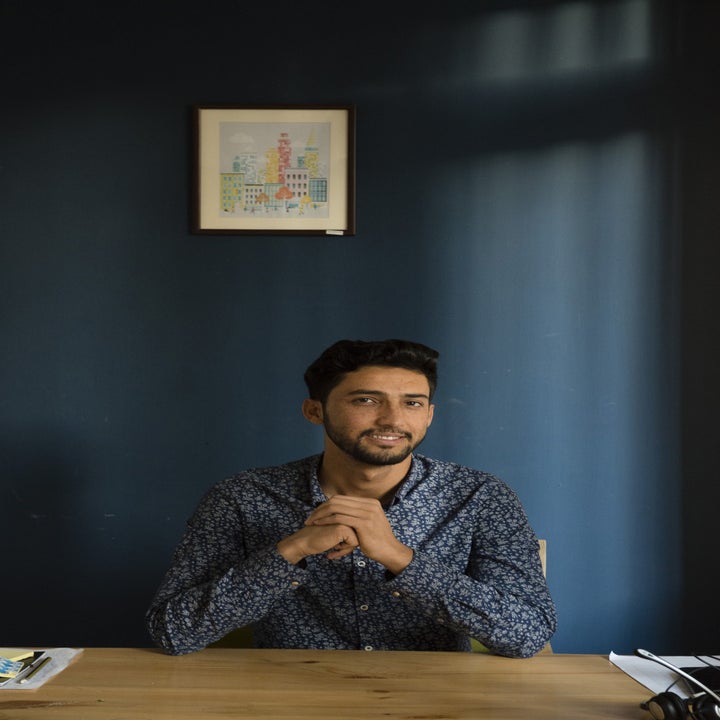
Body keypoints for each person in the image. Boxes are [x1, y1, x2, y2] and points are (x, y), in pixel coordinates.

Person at [146, 339, 556, 657]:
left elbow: (528, 633)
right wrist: (292, 550)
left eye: (412, 403)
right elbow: (173, 631)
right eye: (366, 400)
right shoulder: (242, 497)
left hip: (436, 702)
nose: (393, 419)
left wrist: (399, 557)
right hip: (287, 700)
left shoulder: (480, 497)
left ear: (428, 415)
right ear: (315, 411)